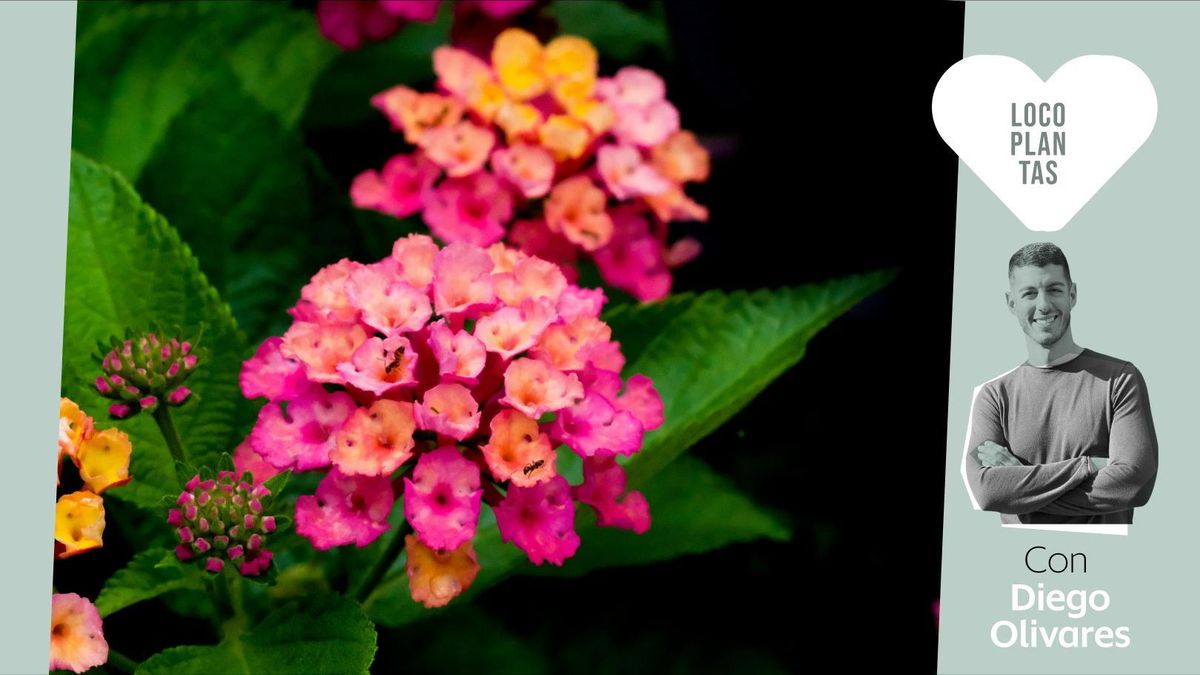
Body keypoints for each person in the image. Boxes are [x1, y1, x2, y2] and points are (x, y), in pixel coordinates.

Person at [963, 242, 1158, 524]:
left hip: (1105, 561)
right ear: (1010, 303)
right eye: (1029, 293)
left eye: (1054, 289)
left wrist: (1019, 483)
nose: (1043, 305)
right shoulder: (994, 396)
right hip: (1015, 560)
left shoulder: (1120, 379)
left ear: (1073, 294)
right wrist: (1088, 466)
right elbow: (988, 493)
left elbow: (1134, 486)